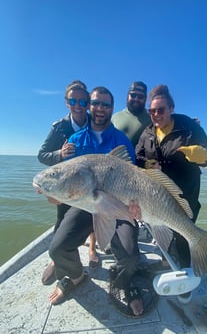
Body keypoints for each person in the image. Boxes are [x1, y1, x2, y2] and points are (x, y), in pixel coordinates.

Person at [47, 86, 144, 316]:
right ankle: (76, 275)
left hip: (116, 204)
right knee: (57, 249)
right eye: (96, 103)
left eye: (106, 104)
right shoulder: (74, 140)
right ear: (90, 107)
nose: (100, 108)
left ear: (112, 108)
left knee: (131, 258)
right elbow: (64, 178)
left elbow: (134, 180)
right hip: (85, 205)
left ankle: (122, 282)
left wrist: (135, 205)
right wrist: (55, 195)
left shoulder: (122, 141)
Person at [135, 85, 207, 281]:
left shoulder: (189, 126)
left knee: (183, 234)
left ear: (171, 108)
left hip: (185, 193)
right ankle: (166, 263)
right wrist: (146, 163)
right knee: (163, 229)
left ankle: (189, 272)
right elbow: (138, 156)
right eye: (151, 111)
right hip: (158, 195)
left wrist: (200, 154)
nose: (155, 115)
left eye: (160, 110)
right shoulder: (147, 132)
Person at [37, 80, 98, 285]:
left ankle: (92, 249)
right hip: (66, 185)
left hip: (90, 183)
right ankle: (57, 260)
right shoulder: (59, 127)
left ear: (88, 102)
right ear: (66, 102)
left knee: (93, 216)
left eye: (83, 101)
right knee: (62, 218)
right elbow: (42, 155)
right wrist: (59, 154)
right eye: (73, 100)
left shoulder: (94, 122)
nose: (79, 105)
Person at [111, 81, 151, 147]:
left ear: (145, 99)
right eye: (133, 95)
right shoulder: (114, 117)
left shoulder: (152, 118)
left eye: (140, 96)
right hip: (113, 156)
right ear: (127, 96)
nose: (136, 99)